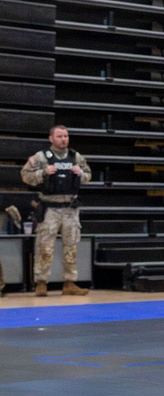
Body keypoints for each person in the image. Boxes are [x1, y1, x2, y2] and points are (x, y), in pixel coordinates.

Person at [20, 125, 92, 297]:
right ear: (51, 138)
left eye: (66, 136)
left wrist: (80, 173)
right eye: (59, 136)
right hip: (49, 207)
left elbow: (88, 176)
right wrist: (42, 173)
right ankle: (41, 283)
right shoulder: (41, 157)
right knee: (44, 246)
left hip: (70, 208)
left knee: (71, 247)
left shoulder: (76, 157)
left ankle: (69, 282)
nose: (63, 139)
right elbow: (25, 175)